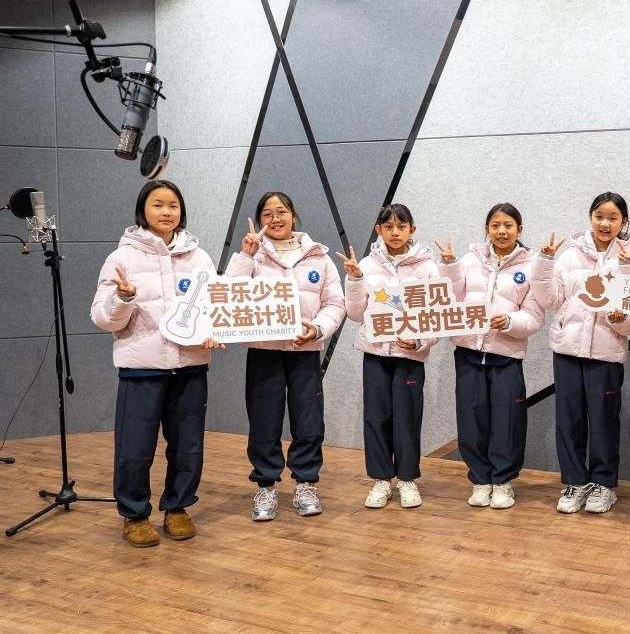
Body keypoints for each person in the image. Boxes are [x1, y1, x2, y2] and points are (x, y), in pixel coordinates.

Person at [90, 180, 222, 547]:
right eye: (158, 205)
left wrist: (213, 331)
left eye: (173, 205)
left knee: (188, 446)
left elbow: (215, 307)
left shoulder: (199, 257)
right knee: (135, 448)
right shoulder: (121, 258)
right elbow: (102, 318)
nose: (167, 212)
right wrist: (123, 299)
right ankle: (134, 515)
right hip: (141, 367)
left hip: (191, 366)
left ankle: (178, 508)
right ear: (142, 210)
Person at [225, 192, 344, 521]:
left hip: (304, 352)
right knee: (264, 420)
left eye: (281, 212)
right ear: (259, 220)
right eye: (267, 214)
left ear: (293, 215)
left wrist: (317, 329)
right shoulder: (253, 255)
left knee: (309, 420)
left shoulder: (319, 257)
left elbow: (335, 303)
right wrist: (245, 256)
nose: (275, 219)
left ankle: (306, 483)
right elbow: (229, 297)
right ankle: (265, 485)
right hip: (264, 352)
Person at [531, 192, 630, 515]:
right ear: (590, 218)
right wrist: (544, 263)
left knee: (604, 421)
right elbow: (550, 299)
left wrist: (621, 320)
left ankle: (603, 485)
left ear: (623, 222)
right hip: (567, 351)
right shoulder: (570, 256)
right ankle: (575, 482)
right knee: (569, 421)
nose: (605, 223)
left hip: (606, 354)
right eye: (599, 216)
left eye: (613, 218)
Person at [436, 203, 545, 509]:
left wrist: (509, 322)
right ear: (487, 229)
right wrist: (449, 267)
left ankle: (503, 482)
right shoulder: (470, 260)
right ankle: (480, 480)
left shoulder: (531, 266)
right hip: (468, 353)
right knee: (471, 420)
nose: (501, 231)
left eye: (508, 225)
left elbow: (535, 316)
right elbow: (450, 300)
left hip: (506, 356)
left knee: (507, 422)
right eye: (495, 225)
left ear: (520, 230)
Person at [341, 204, 438, 509]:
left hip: (410, 356)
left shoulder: (427, 267)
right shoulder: (366, 265)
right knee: (376, 417)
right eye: (388, 227)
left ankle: (407, 479)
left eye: (401, 226)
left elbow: (438, 317)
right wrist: (355, 279)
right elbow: (356, 313)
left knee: (407, 419)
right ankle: (381, 479)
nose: (395, 232)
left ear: (412, 229)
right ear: (378, 230)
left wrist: (419, 341)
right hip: (375, 354)